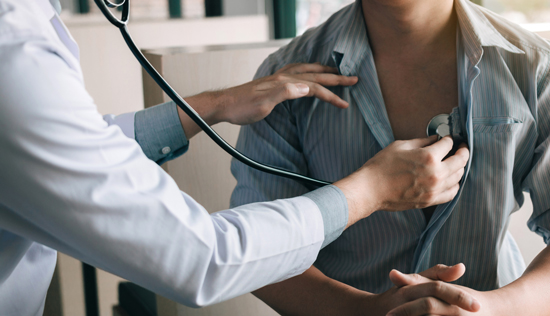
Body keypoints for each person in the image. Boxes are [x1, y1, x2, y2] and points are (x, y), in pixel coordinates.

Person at [0, 0, 473, 315]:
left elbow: (75, 150)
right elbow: (202, 258)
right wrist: (371, 189)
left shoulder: (528, 64)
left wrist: (213, 106)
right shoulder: (11, 52)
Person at [230, 0, 550, 315]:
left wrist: (490, 310)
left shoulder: (534, 67)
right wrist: (365, 311)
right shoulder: (283, 79)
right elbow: (259, 253)